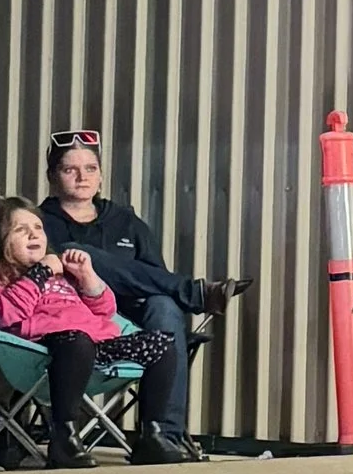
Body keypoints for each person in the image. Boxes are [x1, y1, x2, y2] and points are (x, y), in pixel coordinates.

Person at [41, 127, 246, 451]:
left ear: (102, 175)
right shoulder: (39, 221)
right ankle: (195, 293)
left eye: (90, 168)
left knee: (164, 305)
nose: (82, 177)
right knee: (76, 251)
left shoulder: (126, 221)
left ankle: (162, 435)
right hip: (75, 325)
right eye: (70, 169)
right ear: (53, 176)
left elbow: (152, 277)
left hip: (130, 322)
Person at [0, 197, 189, 466]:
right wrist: (40, 272)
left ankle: (151, 436)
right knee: (77, 341)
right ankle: (63, 437)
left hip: (97, 345)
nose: (33, 234)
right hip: (43, 352)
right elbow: (6, 314)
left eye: (37, 227)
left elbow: (105, 311)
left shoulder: (62, 275)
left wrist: (87, 277)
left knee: (163, 344)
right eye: (20, 230)